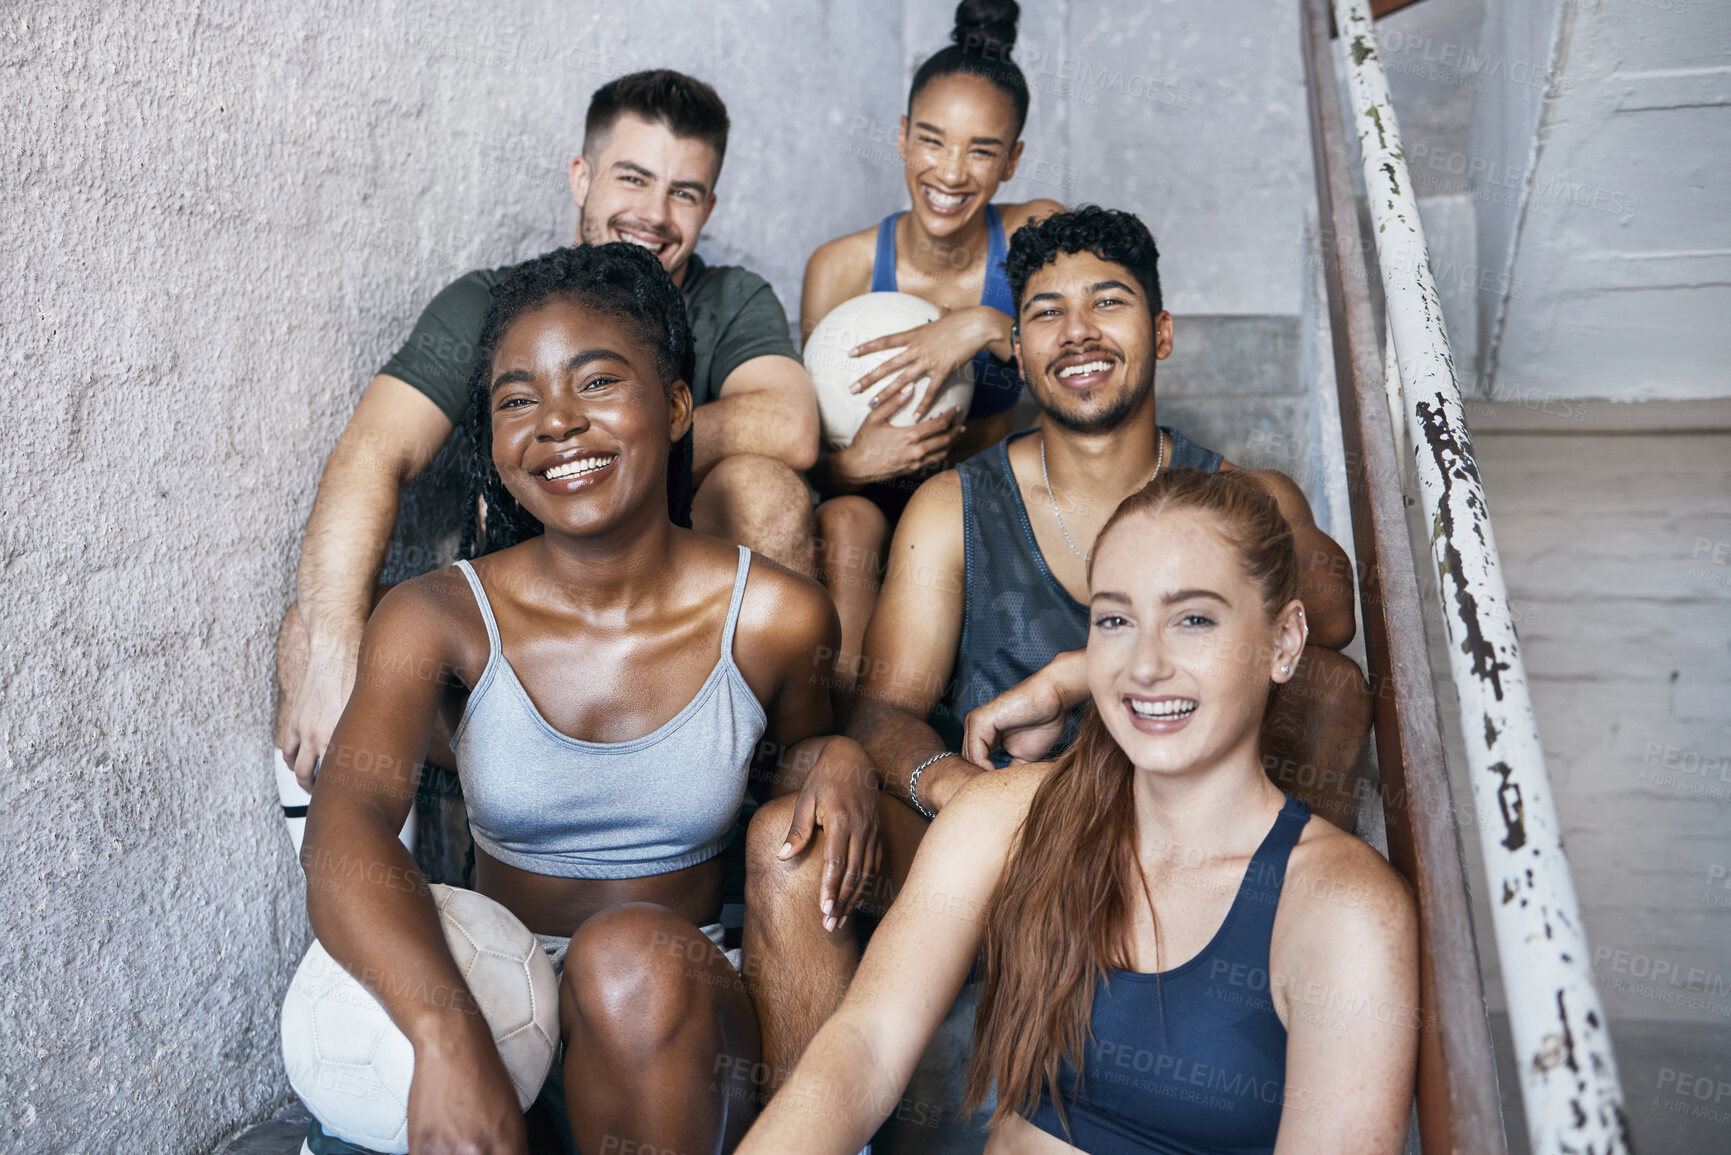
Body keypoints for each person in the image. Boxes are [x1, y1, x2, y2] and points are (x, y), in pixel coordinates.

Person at [744, 206, 1373, 1089]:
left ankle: (1272, 1003)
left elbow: (1332, 617)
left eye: (1106, 303)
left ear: (1159, 333)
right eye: (1044, 312)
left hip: (1172, 848)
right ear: (1018, 345)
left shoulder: (1232, 495)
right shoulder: (953, 506)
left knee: (1329, 685)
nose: (1075, 332)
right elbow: (884, 706)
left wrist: (1235, 512)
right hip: (995, 844)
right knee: (793, 839)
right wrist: (958, 791)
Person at [297, 244, 879, 1155]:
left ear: (679, 405)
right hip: (501, 999)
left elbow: (795, 761)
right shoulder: (440, 615)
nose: (556, 424)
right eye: (517, 400)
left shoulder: (774, 615)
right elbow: (349, 822)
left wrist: (839, 757)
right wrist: (447, 1033)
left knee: (629, 956)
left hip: (680, 1006)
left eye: (596, 381)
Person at [738, 468, 1419, 1155]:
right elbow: (865, 1046)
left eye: (1193, 619)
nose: (1146, 665)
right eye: (1116, 620)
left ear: (1283, 641)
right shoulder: (1011, 812)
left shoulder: (1344, 906)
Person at [276, 69, 820, 792]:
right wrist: (335, 653)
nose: (654, 213)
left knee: (764, 488)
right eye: (633, 178)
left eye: (683, 192)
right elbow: (374, 450)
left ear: (708, 205)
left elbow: (788, 424)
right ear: (581, 177)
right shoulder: (490, 303)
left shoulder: (726, 299)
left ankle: (758, 805)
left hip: (679, 647)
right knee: (312, 633)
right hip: (517, 648)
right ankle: (409, 873)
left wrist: (607, 449)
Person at [801, 0, 1062, 687]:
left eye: (981, 150)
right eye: (931, 139)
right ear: (901, 136)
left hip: (983, 495)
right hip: (872, 500)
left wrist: (983, 327)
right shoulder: (841, 267)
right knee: (848, 520)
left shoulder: (1037, 233)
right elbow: (809, 456)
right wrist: (850, 467)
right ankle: (840, 743)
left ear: (1012, 160)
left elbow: (1085, 368)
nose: (950, 172)